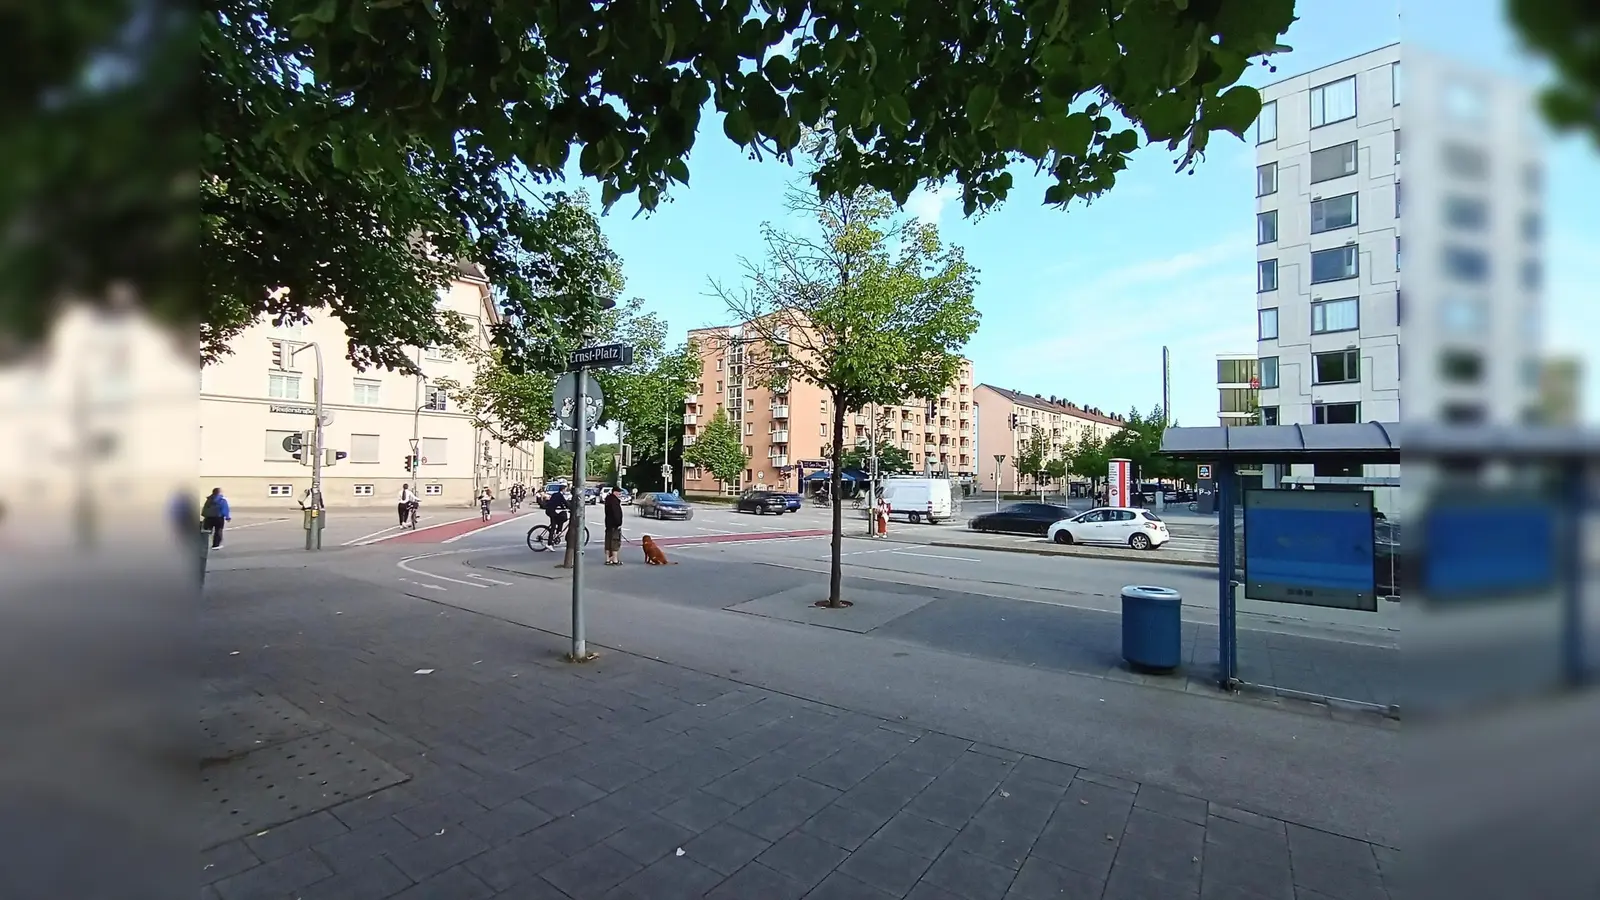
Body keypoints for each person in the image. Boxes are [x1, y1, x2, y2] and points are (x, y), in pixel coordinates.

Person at [602, 489, 625, 565]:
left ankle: (608, 559)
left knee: (608, 541)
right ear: (615, 492)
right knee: (615, 541)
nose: (620, 494)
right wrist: (619, 523)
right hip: (614, 525)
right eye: (619, 493)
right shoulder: (614, 501)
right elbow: (616, 514)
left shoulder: (608, 500)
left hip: (608, 524)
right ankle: (615, 560)